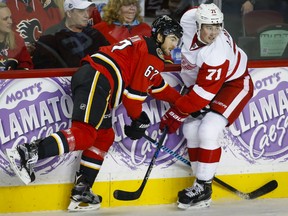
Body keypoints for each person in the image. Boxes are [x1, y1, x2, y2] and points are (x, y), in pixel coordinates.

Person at [6, 15, 183, 211]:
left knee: (104, 136)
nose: (175, 44)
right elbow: (133, 99)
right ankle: (26, 152)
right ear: (159, 37)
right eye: (173, 38)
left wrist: (182, 102)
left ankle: (82, 189)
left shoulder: (145, 47)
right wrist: (138, 119)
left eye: (177, 40)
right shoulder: (152, 56)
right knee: (84, 133)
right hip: (99, 79)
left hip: (98, 79)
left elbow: (157, 86)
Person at [159, 3, 254, 209]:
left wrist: (176, 112)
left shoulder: (216, 54)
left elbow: (201, 97)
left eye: (218, 27)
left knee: (209, 128)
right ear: (198, 24)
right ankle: (200, 185)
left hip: (234, 84)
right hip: (206, 82)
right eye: (209, 27)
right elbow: (196, 8)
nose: (214, 32)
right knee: (190, 128)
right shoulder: (189, 19)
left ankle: (203, 185)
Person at [32, 0, 110, 69]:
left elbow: (109, 58)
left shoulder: (94, 34)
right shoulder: (50, 37)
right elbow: (44, 70)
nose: (86, 15)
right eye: (81, 11)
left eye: (87, 11)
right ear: (69, 13)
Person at [0, 2, 33, 71]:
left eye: (10, 18)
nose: (10, 22)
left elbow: (26, 65)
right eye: (5, 19)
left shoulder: (18, 40)